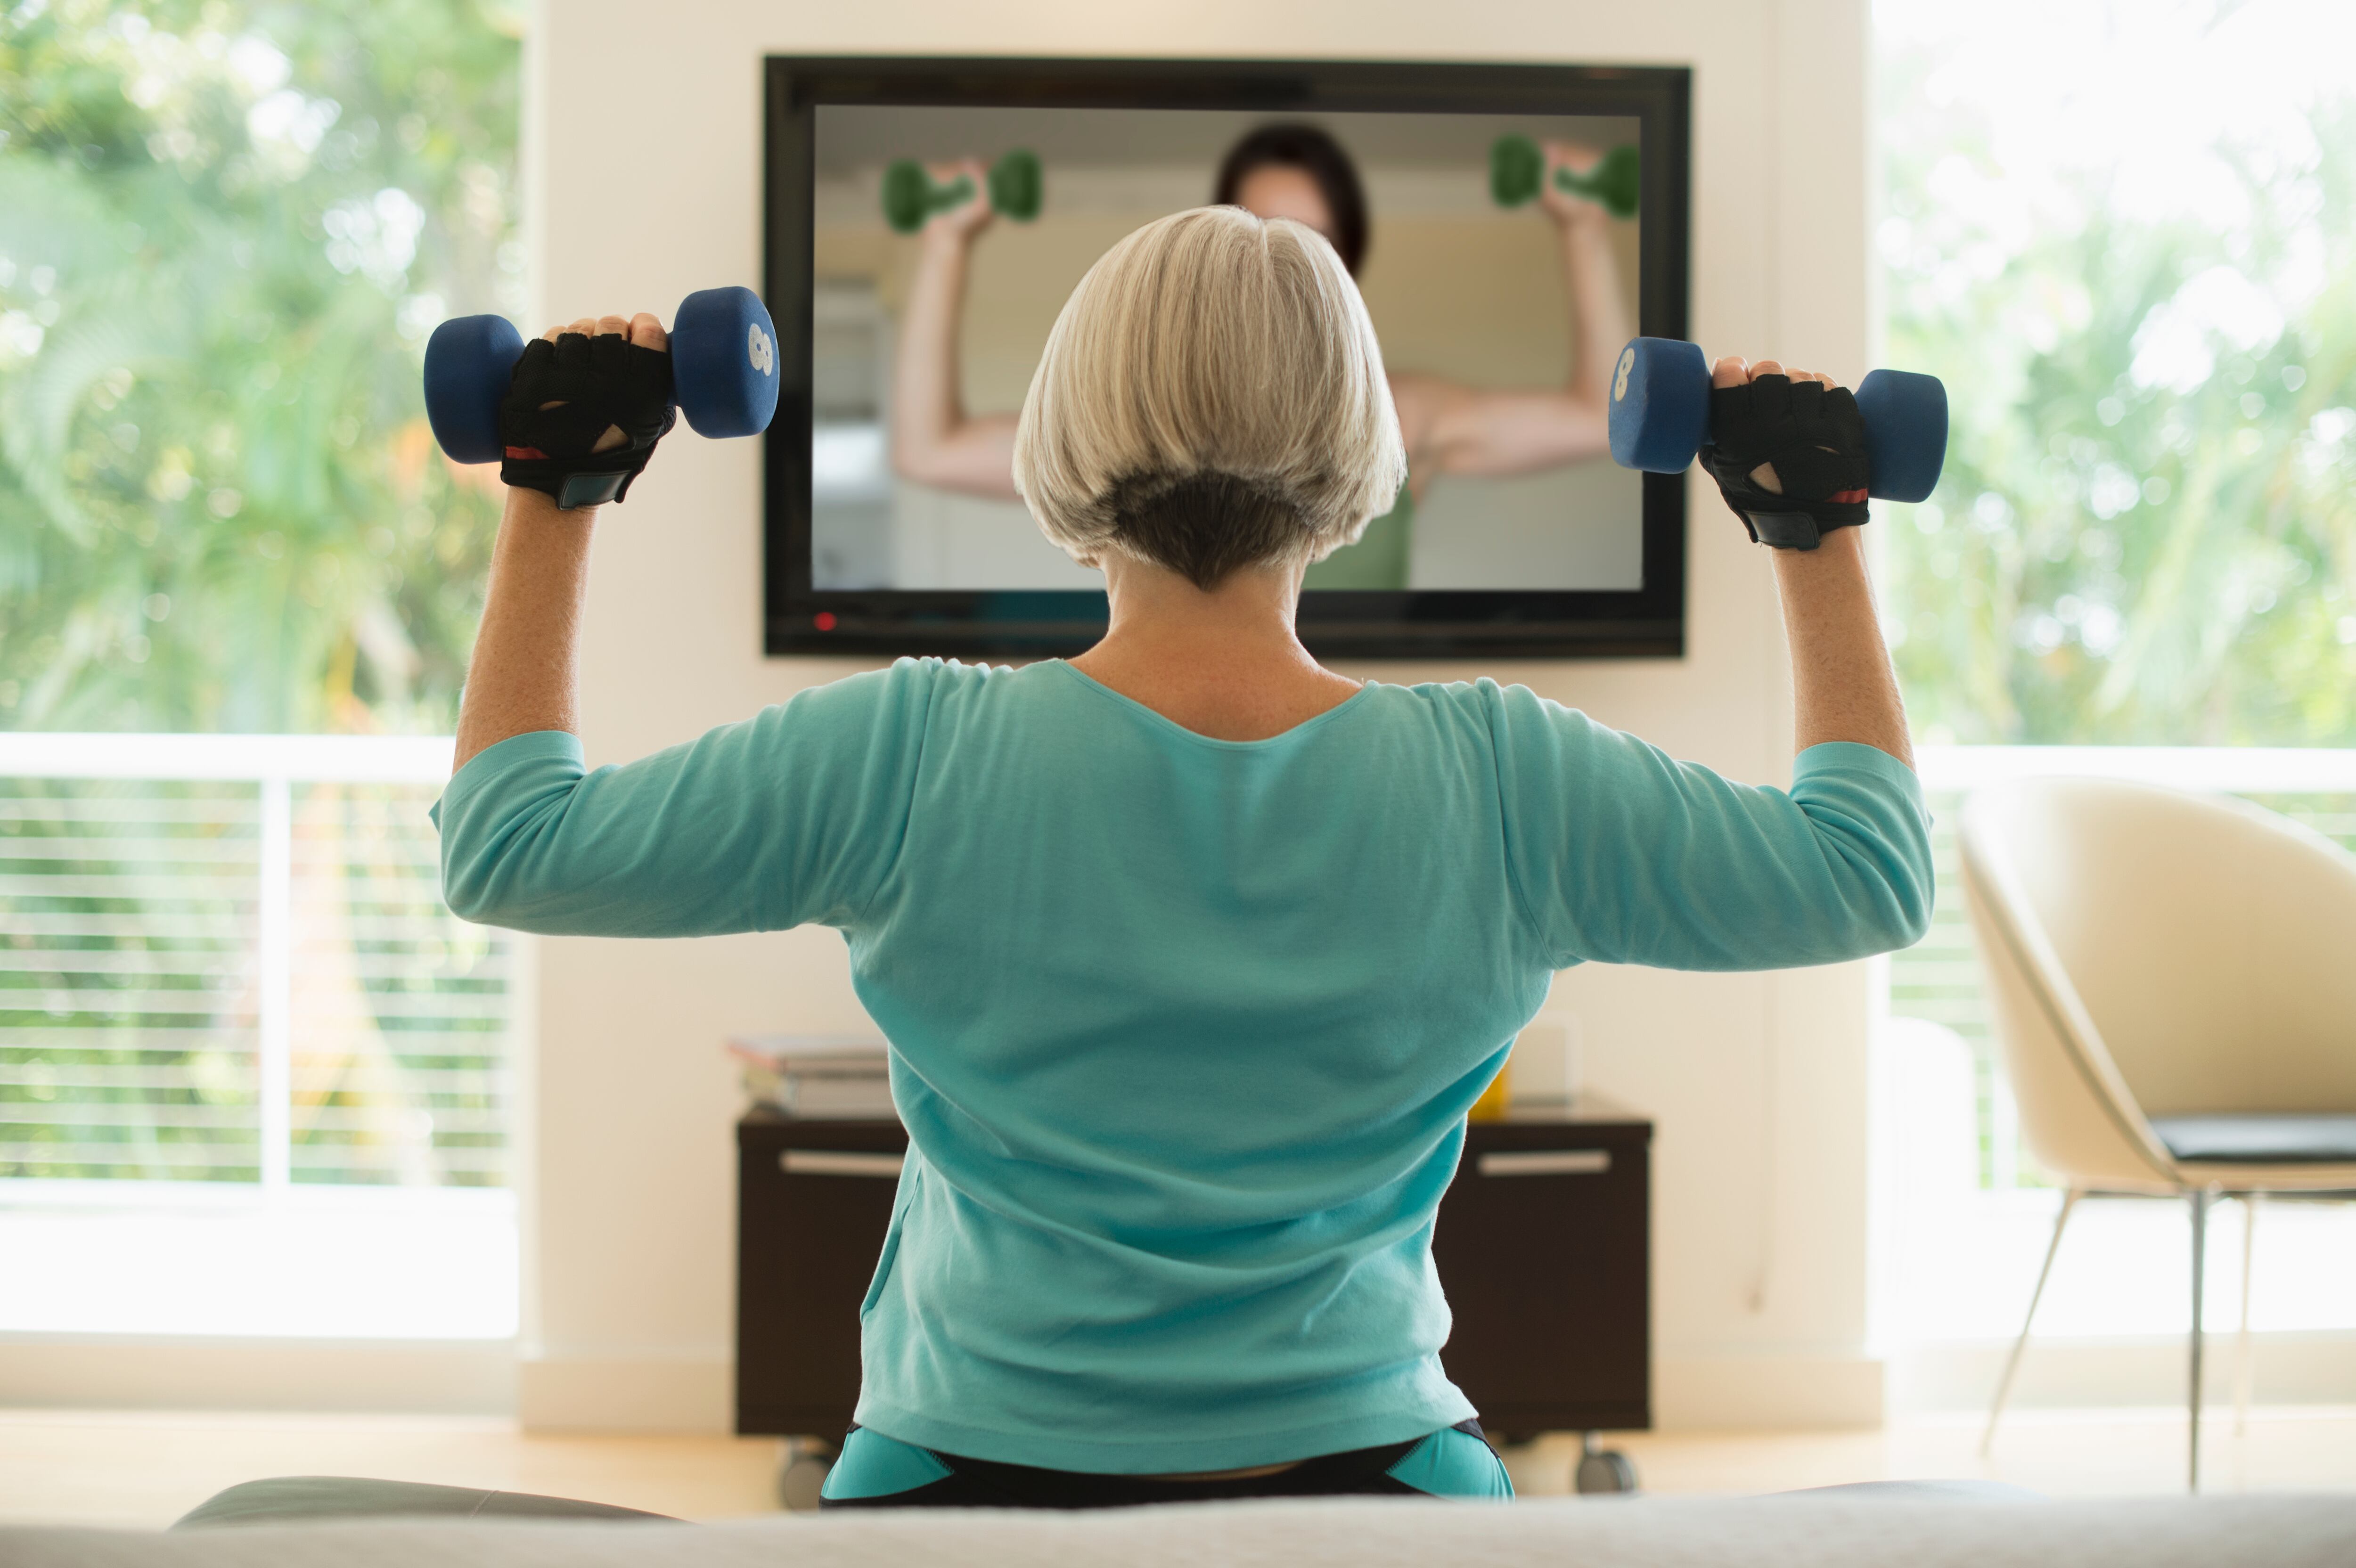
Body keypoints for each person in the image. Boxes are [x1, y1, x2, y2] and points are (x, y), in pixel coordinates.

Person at [431, 206, 1930, 1508]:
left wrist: (553, 484)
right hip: (1380, 1490)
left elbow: (509, 848)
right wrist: (1812, 525)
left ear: (1068, 429)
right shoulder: (1506, 775)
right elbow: (1867, 873)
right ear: (1356, 443)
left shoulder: (902, 751)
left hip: (957, 1491)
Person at [891, 122, 1632, 589]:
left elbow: (1606, 416)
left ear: (1344, 269)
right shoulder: (1147, 401)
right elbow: (930, 452)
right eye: (1260, 230)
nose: (1280, 264)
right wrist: (946, 241)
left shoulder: (1403, 414)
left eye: (1311, 243)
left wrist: (1583, 227)